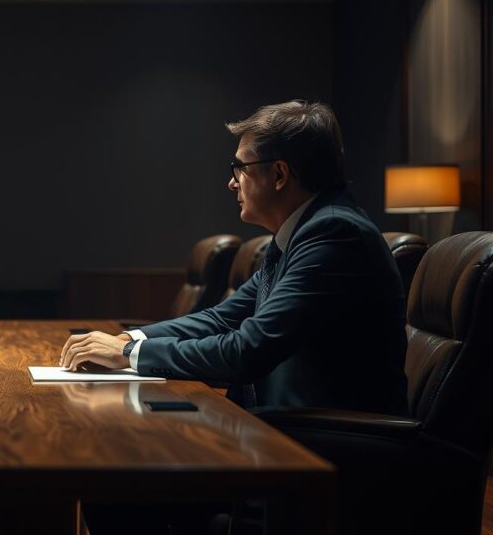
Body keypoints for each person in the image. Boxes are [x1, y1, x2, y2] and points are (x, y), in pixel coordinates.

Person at [61, 101, 409, 534]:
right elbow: (222, 319)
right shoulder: (301, 234)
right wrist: (128, 340)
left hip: (325, 455)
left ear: (279, 174)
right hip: (281, 437)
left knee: (116, 494)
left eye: (240, 168)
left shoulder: (335, 235)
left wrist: (131, 352)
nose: (231, 182)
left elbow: (248, 350)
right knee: (116, 478)